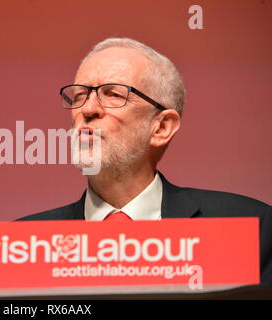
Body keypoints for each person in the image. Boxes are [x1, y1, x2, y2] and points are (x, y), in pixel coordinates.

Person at [18, 37, 272, 287]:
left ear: (161, 127)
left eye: (114, 94)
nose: (87, 109)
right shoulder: (23, 244)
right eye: (79, 96)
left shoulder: (250, 228)